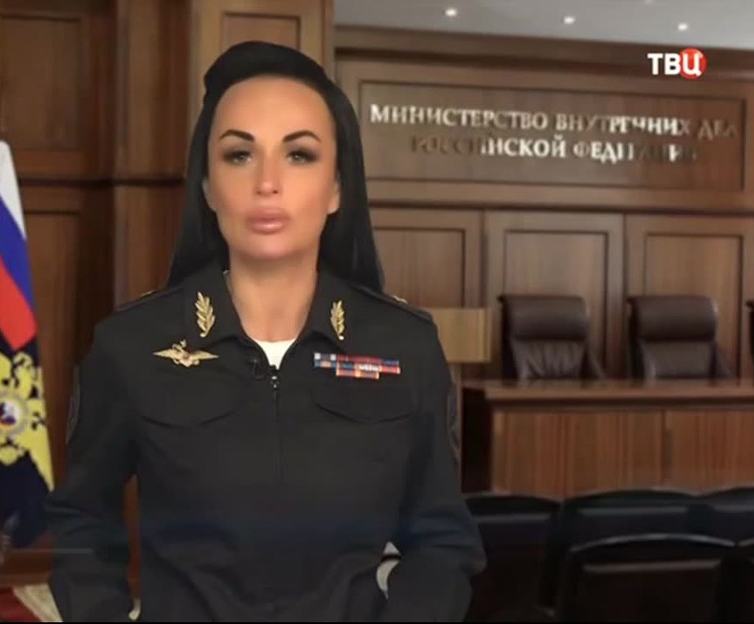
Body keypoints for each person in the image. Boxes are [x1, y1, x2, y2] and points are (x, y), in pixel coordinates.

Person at [46, 40, 485, 622]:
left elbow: (443, 542)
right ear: (207, 186)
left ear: (338, 187)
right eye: (239, 155)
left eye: (299, 155)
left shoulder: (404, 347)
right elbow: (81, 524)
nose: (267, 183)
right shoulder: (131, 346)